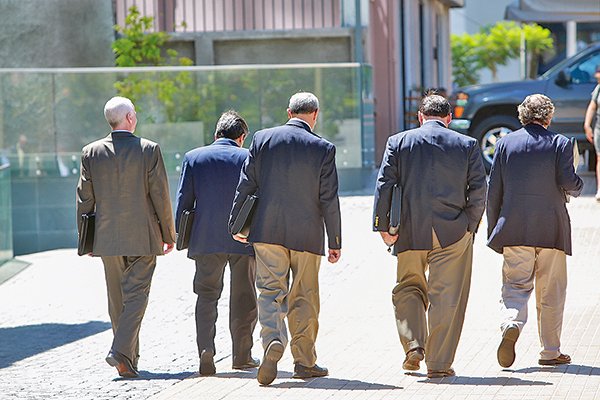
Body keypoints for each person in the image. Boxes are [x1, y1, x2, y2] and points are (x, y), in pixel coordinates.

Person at [229, 92, 342, 386]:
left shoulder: (263, 139)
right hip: (307, 234)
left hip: (267, 232)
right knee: (304, 295)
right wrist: (336, 240)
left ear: (288, 111)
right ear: (315, 115)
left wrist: (236, 224)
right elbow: (329, 198)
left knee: (269, 291)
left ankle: (272, 343)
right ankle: (304, 361)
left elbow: (246, 184)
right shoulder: (323, 148)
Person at [373, 92, 487, 378]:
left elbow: (385, 184)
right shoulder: (468, 144)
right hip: (453, 231)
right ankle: (438, 363)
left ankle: (413, 344)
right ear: (449, 118)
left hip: (410, 229)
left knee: (407, 287)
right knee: (448, 296)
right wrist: (469, 226)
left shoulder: (398, 142)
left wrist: (383, 227)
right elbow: (479, 189)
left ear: (420, 117)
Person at [76, 96, 176, 378]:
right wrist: (169, 234)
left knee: (117, 299)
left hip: (106, 239)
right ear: (130, 118)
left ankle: (128, 362)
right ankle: (121, 352)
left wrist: (87, 241)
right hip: (143, 236)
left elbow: (84, 200)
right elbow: (160, 196)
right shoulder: (149, 149)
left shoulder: (90, 152)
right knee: (136, 297)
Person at [487, 94, 583, 368]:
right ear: (549, 117)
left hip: (514, 228)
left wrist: (495, 231)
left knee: (515, 286)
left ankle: (511, 322)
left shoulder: (505, 144)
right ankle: (550, 352)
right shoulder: (560, 143)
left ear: (522, 116)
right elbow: (568, 181)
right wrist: (579, 186)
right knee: (551, 291)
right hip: (552, 229)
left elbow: (494, 191)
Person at [175, 110, 258, 376]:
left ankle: (205, 351)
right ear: (241, 137)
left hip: (205, 238)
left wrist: (182, 236)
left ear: (216, 134)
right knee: (244, 297)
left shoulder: (194, 157)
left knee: (207, 296)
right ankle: (242, 356)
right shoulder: (248, 157)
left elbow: (183, 203)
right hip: (243, 238)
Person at [583, 65, 600, 201]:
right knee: (599, 157)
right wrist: (587, 125)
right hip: (599, 126)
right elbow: (592, 106)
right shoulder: (598, 89)